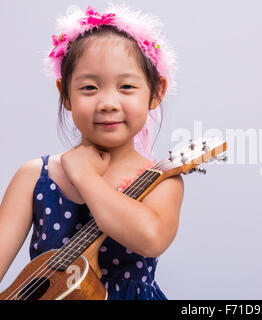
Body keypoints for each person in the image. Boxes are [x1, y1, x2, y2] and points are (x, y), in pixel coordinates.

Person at [0, 4, 183, 300]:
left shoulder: (160, 180)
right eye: (88, 88)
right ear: (65, 94)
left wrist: (85, 176)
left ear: (156, 92)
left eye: (126, 86)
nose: (107, 102)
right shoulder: (35, 177)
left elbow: (151, 239)